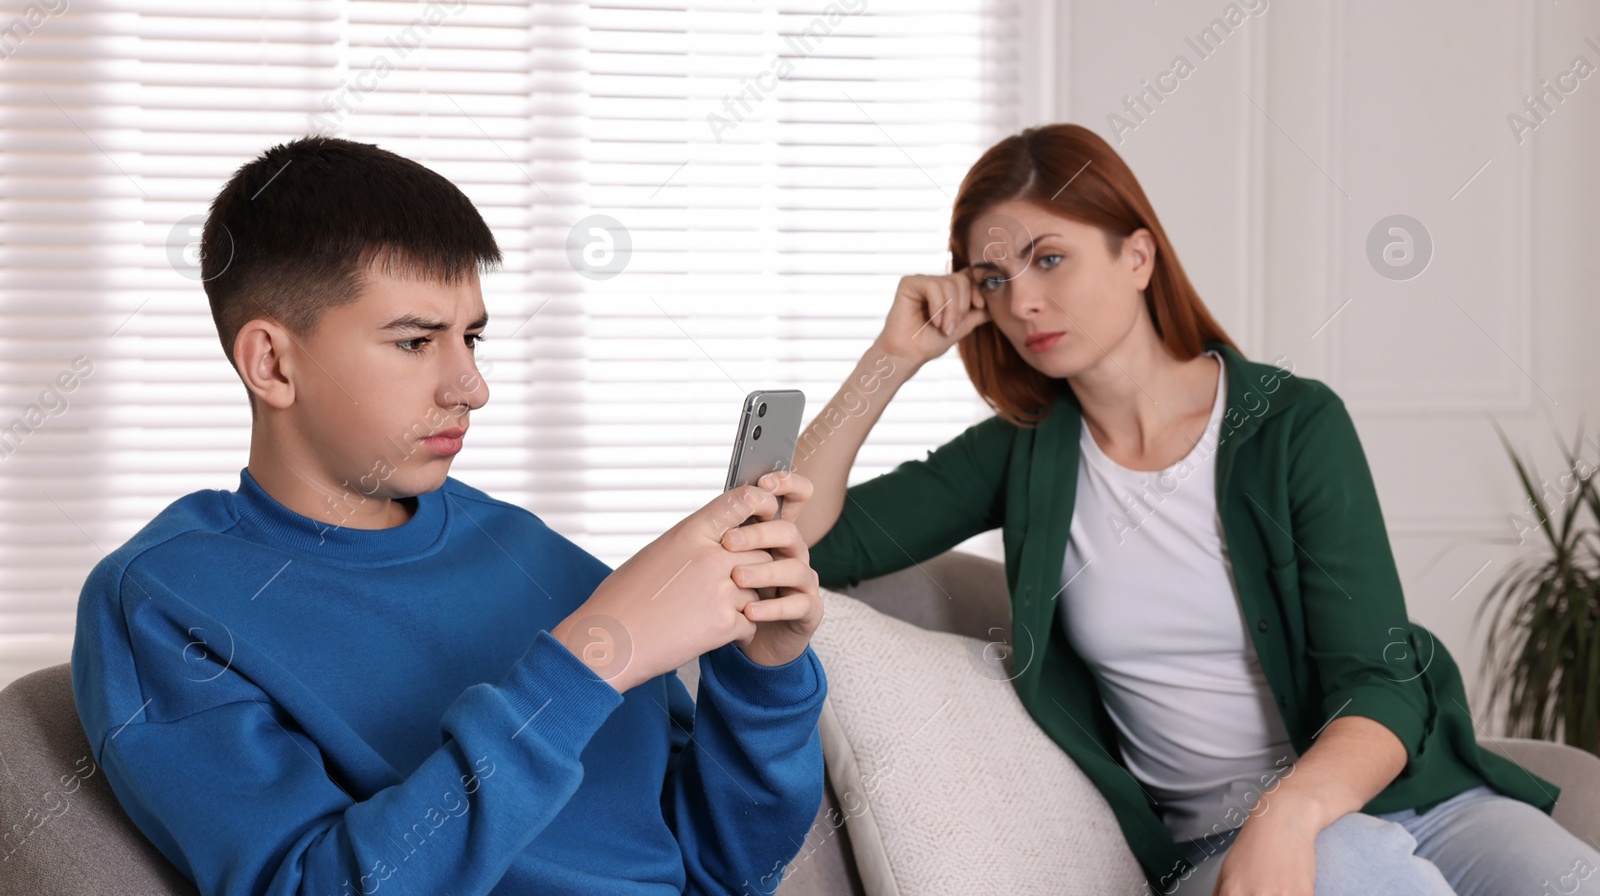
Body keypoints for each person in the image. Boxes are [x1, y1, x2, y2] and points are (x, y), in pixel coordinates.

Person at [795, 123, 1599, 896]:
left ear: (1137, 255)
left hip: (1421, 800)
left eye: (1050, 259)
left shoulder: (1290, 425)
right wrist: (889, 361)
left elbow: (1380, 682)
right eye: (996, 279)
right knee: (1355, 868)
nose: (1025, 303)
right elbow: (802, 541)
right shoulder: (1020, 453)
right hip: (1222, 847)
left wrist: (1289, 813)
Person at [70, 135, 828, 896]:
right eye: (414, 341)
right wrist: (590, 661)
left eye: (471, 338)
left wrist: (763, 677)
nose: (470, 386)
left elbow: (726, 870)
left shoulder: (525, 549)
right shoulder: (169, 599)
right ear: (272, 362)